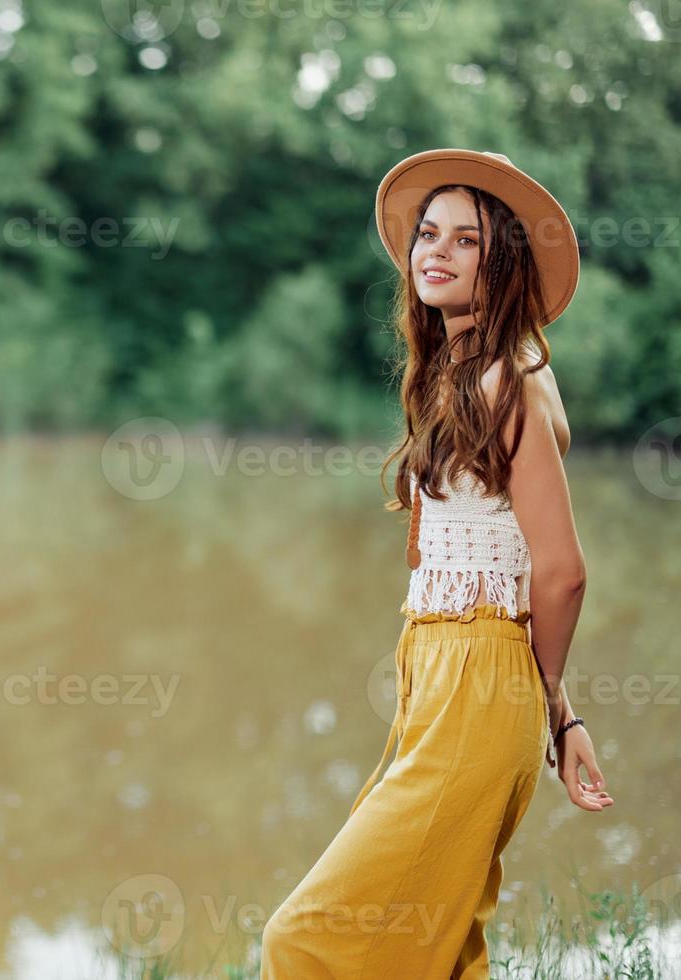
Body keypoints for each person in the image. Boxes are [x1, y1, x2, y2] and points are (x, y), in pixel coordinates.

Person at [260, 149, 614, 979]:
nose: (436, 251)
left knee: (305, 940)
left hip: (478, 682)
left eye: (466, 240)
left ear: (505, 263)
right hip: (444, 669)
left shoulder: (510, 381)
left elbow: (560, 571)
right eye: (428, 234)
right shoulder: (456, 373)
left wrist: (549, 705)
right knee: (442, 949)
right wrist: (557, 714)